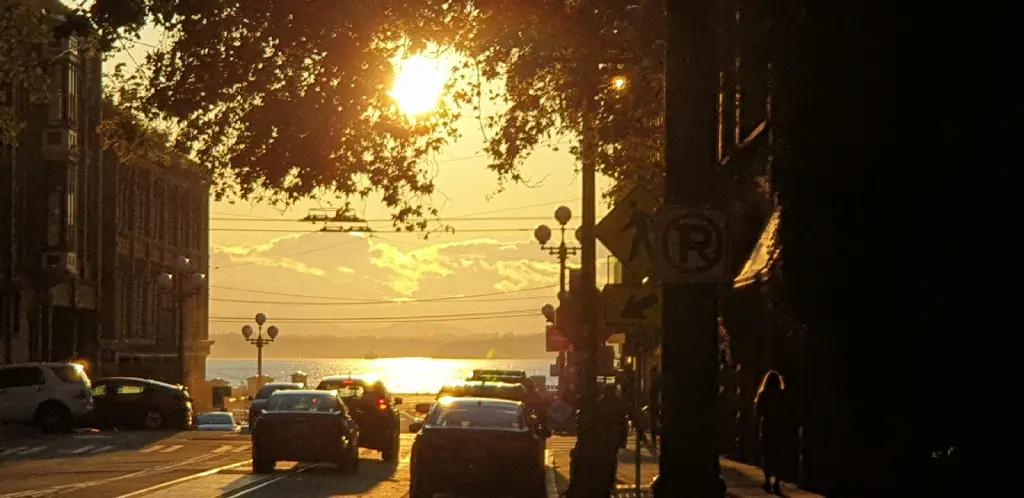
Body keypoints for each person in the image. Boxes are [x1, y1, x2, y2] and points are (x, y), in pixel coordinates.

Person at [755, 370, 787, 495]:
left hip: (767, 426)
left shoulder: (763, 395)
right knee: (779, 456)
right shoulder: (781, 396)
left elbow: (758, 411)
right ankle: (777, 484)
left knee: (767, 455)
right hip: (779, 427)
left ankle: (767, 481)